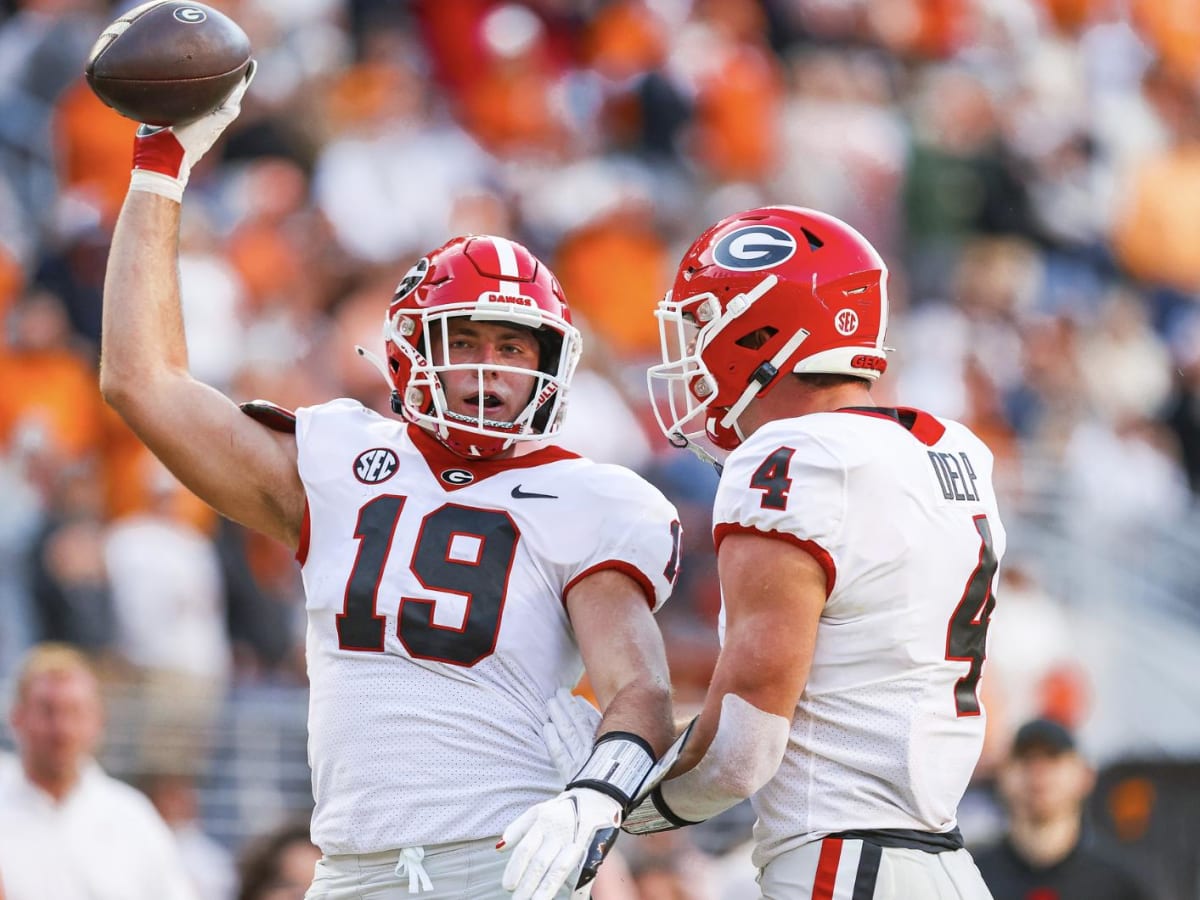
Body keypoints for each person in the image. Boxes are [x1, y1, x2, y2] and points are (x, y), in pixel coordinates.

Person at [98, 68, 679, 899]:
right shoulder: (340, 457)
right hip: (350, 869)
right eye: (465, 341)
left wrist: (596, 794)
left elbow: (641, 689)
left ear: (551, 362)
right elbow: (141, 381)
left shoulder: (592, 499)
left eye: (514, 348)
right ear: (410, 350)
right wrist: (159, 168)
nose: (490, 369)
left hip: (502, 859)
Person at [614, 205, 1006, 897]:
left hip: (844, 860)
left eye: (704, 326)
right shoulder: (951, 449)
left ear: (762, 330)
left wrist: (608, 810)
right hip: (943, 863)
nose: (692, 357)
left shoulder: (795, 454)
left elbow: (743, 750)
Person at [0, 642, 197, 900]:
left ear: (98, 720)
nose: (62, 729)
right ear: (16, 716)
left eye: (75, 712)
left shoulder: (132, 818)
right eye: (48, 711)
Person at [974, 718, 1158, 899]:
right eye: (1025, 758)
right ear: (1001, 775)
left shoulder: (1120, 886)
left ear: (1085, 775)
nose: (1038, 770)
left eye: (1053, 756)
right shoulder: (973, 878)